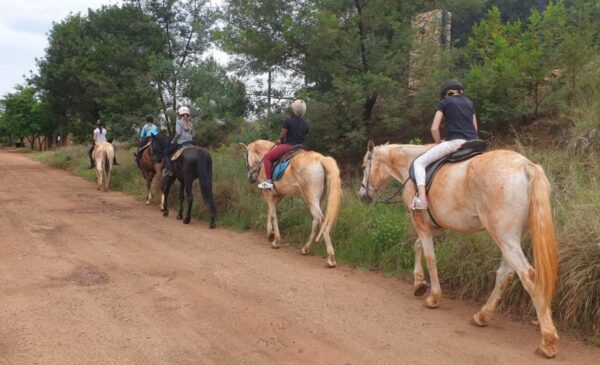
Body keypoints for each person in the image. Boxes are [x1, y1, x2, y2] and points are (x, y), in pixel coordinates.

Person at [411, 79, 479, 210]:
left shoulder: (445, 102)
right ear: (460, 91)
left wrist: (438, 142)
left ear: (447, 93)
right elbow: (475, 128)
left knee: (418, 163)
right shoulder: (470, 103)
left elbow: (434, 128)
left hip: (456, 142)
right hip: (474, 142)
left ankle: (422, 200)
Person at [258, 99, 309, 189]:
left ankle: (268, 181)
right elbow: (305, 137)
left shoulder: (288, 121)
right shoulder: (306, 124)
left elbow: (282, 135)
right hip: (301, 148)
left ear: (293, 109)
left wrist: (280, 141)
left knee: (267, 157)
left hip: (289, 146)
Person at [163, 106, 195, 176]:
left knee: (166, 152)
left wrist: (173, 141)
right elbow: (193, 135)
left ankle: (169, 170)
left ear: (180, 114)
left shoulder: (179, 122)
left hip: (181, 143)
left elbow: (178, 133)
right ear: (188, 114)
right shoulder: (191, 123)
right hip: (191, 142)